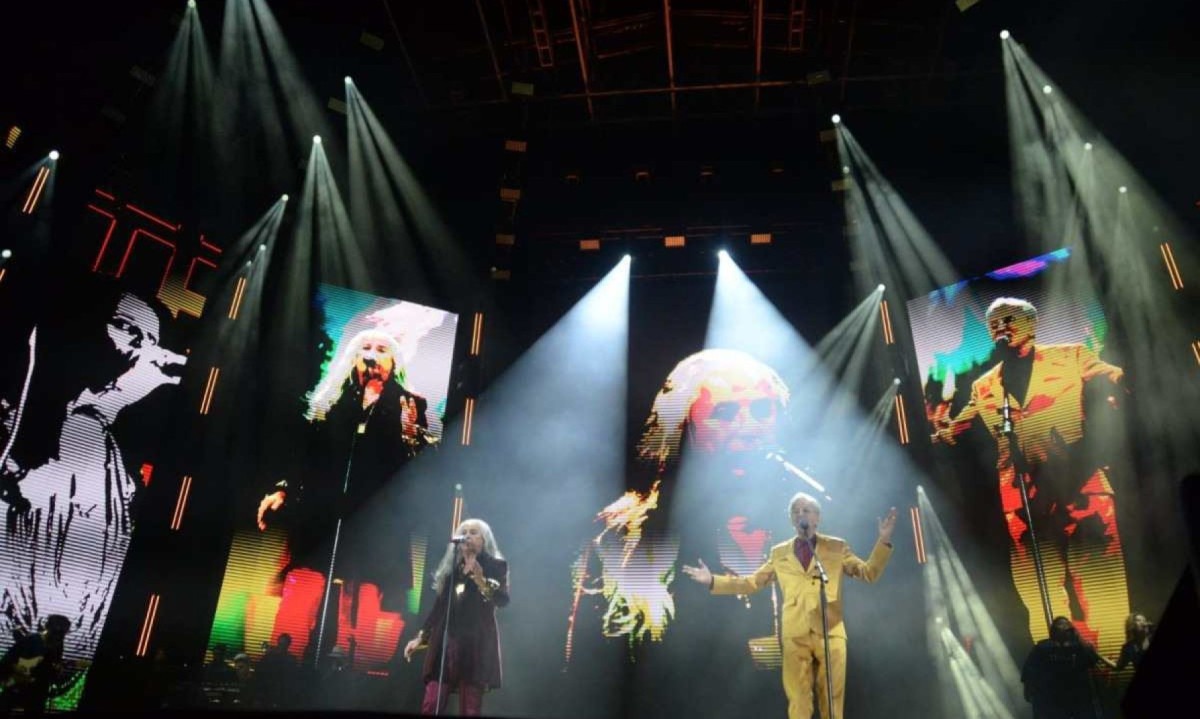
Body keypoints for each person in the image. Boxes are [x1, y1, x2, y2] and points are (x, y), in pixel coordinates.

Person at [0, 282, 186, 672]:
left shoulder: (94, 439)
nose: (135, 344)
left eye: (143, 336)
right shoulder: (48, 402)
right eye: (123, 326)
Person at [932, 297, 1129, 656]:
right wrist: (940, 417)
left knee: (1101, 580)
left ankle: (1116, 662)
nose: (1000, 327)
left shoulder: (1071, 356)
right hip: (1024, 501)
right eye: (993, 323)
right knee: (1040, 590)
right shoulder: (985, 385)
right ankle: (1058, 664)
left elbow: (1114, 377)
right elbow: (952, 432)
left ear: (1031, 323)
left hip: (1081, 485)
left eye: (1008, 319)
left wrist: (1118, 388)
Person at [252, 327, 432, 667]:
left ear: (394, 362)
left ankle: (352, 673)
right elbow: (306, 456)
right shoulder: (331, 401)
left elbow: (419, 469)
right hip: (323, 515)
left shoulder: (410, 403)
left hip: (375, 520)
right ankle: (280, 664)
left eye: (381, 348)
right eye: (365, 347)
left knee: (362, 597)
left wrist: (412, 435)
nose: (372, 354)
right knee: (303, 589)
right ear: (352, 359)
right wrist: (282, 489)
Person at [682, 492, 896, 719]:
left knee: (832, 702)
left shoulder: (836, 547)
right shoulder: (779, 553)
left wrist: (882, 541)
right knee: (798, 701)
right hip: (795, 633)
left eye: (805, 510)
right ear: (791, 519)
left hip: (830, 630)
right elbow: (751, 583)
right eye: (795, 511)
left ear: (817, 518)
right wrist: (713, 580)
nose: (800, 513)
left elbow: (868, 573)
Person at [402, 519, 509, 716]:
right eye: (464, 532)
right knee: (432, 701)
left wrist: (478, 577)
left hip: (475, 641)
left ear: (484, 540)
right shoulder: (452, 567)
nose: (467, 536)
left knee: (470, 706)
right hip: (445, 640)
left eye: (474, 532)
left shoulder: (496, 566)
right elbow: (439, 608)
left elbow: (501, 600)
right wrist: (420, 637)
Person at [1021, 616, 1116, 719]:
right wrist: (1028, 688)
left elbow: (1092, 661)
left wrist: (1082, 641)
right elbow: (1029, 669)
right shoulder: (1043, 647)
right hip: (1052, 696)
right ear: (1054, 630)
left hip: (1076, 695)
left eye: (1066, 624)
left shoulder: (1079, 647)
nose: (1064, 627)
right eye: (1060, 625)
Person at [0, 614, 71, 717]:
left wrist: (56, 669)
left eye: (63, 633)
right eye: (57, 632)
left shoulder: (58, 645)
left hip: (37, 691)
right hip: (17, 686)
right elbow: (8, 662)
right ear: (48, 627)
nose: (60, 636)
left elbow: (54, 665)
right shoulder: (32, 640)